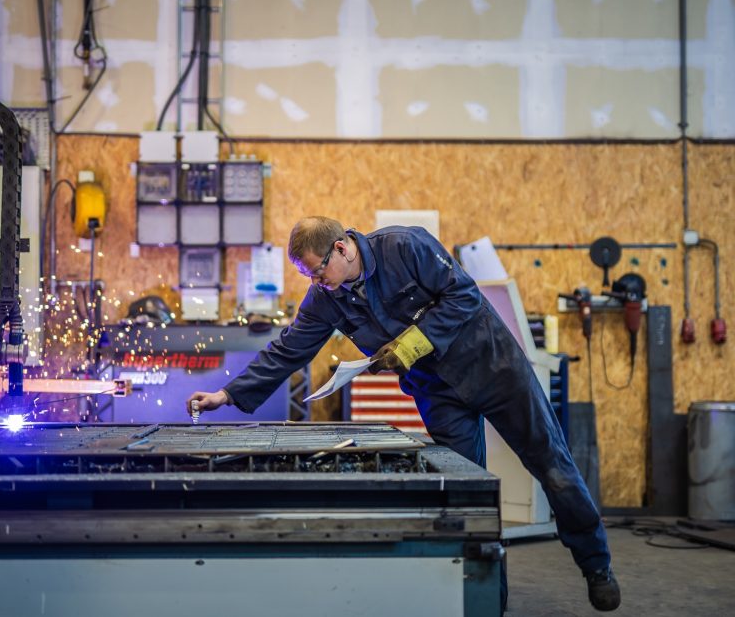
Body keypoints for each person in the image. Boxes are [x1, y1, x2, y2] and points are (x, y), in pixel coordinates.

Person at [186, 217, 621, 612]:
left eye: (319, 269)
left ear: (342, 248)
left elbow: (463, 295)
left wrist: (411, 344)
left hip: (493, 366)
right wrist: (226, 394)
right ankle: (489, 599)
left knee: (552, 463)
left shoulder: (404, 245)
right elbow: (287, 350)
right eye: (309, 276)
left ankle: (596, 565)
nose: (317, 281)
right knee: (466, 492)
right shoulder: (325, 298)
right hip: (437, 392)